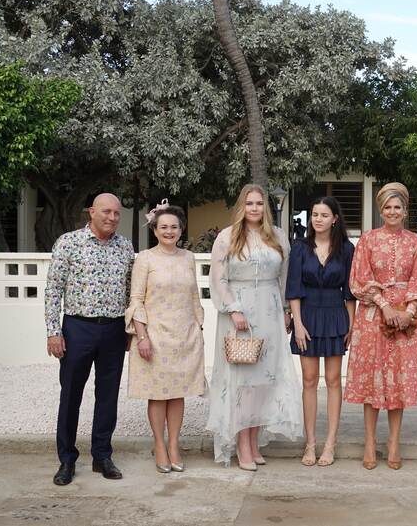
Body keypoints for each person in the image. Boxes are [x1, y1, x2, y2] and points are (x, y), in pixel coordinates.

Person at [206, 184, 302, 471]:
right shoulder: (227, 237)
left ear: (265, 207)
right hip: (240, 311)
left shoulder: (278, 236)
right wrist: (233, 308)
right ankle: (242, 445)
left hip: (270, 310)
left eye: (259, 203)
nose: (255, 208)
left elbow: (284, 277)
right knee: (243, 381)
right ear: (242, 206)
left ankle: (255, 439)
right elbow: (219, 279)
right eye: (249, 204)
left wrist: (287, 311)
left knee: (264, 381)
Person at [343, 182, 417, 470]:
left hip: (406, 318)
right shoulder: (368, 241)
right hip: (373, 316)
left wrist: (408, 311)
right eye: (387, 207)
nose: (392, 212)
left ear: (405, 210)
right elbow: (359, 278)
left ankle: (394, 440)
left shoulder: (415, 242)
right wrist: (384, 305)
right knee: (372, 380)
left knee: (398, 382)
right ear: (380, 210)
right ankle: (370, 441)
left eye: (397, 207)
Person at [45, 193, 134, 486]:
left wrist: (131, 331)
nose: (112, 217)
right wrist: (53, 331)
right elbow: (53, 290)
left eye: (117, 213)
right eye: (106, 211)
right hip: (77, 328)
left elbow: (132, 291)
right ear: (91, 212)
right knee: (71, 395)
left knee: (107, 396)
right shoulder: (69, 242)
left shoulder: (125, 247)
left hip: (113, 330)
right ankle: (67, 460)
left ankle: (102, 456)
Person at [125, 202, 206, 474]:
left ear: (181, 229)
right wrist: (142, 336)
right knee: (158, 394)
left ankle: (174, 444)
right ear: (155, 230)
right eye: (163, 227)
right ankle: (159, 444)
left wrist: (199, 327)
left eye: (174, 227)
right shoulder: (145, 259)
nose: (169, 231)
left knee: (178, 393)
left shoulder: (188, 258)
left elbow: (194, 295)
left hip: (184, 336)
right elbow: (136, 299)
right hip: (155, 335)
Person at [286, 196, 356, 467]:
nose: (318, 219)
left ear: (335, 218)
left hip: (336, 315)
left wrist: (352, 324)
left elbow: (351, 292)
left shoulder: (347, 249)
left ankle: (330, 444)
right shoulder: (300, 248)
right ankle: (311, 443)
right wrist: (298, 323)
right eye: (314, 214)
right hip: (308, 314)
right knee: (309, 380)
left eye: (324, 215)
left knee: (334, 380)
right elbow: (293, 287)